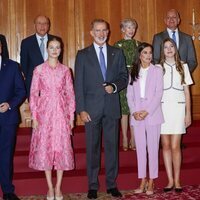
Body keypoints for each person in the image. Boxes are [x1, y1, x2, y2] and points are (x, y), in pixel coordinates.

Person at [74, 19, 128, 199]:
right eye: (97, 30)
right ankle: (92, 186)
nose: (101, 33)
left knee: (112, 148)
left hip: (112, 108)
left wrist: (114, 86)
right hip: (91, 110)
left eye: (104, 30)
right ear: (91, 33)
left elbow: (124, 77)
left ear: (108, 32)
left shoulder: (117, 53)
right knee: (93, 149)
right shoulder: (82, 55)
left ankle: (112, 184)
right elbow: (78, 84)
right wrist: (81, 109)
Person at [29, 37, 75, 200]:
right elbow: (34, 95)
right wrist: (34, 116)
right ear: (46, 49)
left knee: (60, 149)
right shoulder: (39, 70)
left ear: (61, 50)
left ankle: (58, 187)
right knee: (46, 149)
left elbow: (70, 94)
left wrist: (71, 117)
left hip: (62, 114)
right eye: (51, 47)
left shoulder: (65, 70)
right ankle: (49, 187)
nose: (54, 50)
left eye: (57, 48)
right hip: (45, 114)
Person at [127, 42, 164, 195]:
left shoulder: (157, 70)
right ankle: (142, 179)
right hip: (137, 114)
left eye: (150, 53)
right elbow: (129, 94)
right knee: (140, 149)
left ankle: (152, 180)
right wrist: (135, 111)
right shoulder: (134, 71)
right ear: (139, 55)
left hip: (152, 114)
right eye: (145, 53)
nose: (148, 56)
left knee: (153, 148)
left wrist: (146, 111)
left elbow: (158, 93)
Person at [158, 38, 193, 193]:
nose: (169, 49)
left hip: (178, 109)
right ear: (162, 50)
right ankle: (170, 180)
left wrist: (188, 114)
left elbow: (187, 91)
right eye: (166, 47)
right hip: (162, 109)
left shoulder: (183, 66)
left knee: (175, 146)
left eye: (171, 46)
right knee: (165, 145)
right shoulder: (157, 67)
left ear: (175, 48)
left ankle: (178, 180)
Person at [0, 39, 26, 200]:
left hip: (7, 119)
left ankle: (8, 190)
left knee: (5, 155)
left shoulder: (12, 66)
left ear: (1, 47)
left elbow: (21, 91)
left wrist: (9, 104)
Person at [114, 18, 141, 151]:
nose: (131, 30)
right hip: (123, 80)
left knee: (134, 109)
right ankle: (124, 137)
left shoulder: (138, 44)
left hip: (136, 79)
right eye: (128, 27)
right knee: (124, 111)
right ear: (122, 29)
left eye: (133, 27)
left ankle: (134, 138)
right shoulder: (117, 45)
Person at [20, 15, 63, 97]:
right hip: (34, 87)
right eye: (39, 23)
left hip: (54, 86)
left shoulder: (56, 40)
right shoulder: (26, 43)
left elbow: (59, 63)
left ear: (48, 26)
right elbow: (24, 67)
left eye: (45, 23)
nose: (42, 26)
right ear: (34, 25)